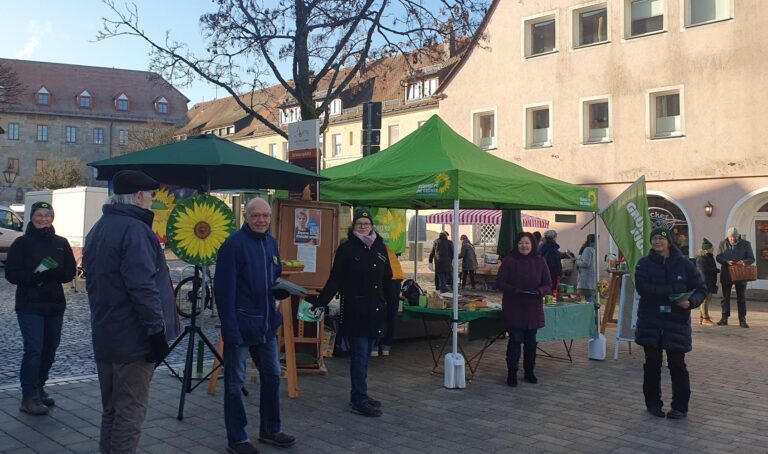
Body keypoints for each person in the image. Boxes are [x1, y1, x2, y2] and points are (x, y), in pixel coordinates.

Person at [83, 170, 180, 453]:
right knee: (130, 413)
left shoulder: (100, 227)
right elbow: (142, 287)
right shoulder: (136, 230)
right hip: (132, 339)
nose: (151, 201)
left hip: (107, 334)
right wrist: (156, 332)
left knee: (112, 409)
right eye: (150, 196)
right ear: (138, 197)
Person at [214, 198, 296, 454]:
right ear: (245, 216)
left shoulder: (271, 243)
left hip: (266, 326)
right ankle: (237, 438)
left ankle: (270, 429)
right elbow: (223, 291)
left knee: (272, 376)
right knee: (234, 383)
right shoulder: (233, 245)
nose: (261, 220)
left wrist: (280, 290)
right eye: (256, 216)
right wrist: (230, 328)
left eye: (266, 216)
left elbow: (274, 276)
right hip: (241, 325)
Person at [309, 209, 397, 417]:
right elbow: (335, 279)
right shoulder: (347, 249)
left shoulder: (380, 248)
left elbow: (388, 278)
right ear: (353, 227)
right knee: (359, 354)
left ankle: (362, 393)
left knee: (366, 355)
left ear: (372, 226)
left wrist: (391, 303)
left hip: (375, 310)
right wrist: (320, 302)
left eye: (367, 223)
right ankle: (358, 398)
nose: (364, 226)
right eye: (360, 224)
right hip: (356, 310)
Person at [5, 201, 76, 416]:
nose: (43, 218)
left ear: (52, 217)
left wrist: (56, 273)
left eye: (47, 215)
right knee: (34, 349)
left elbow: (69, 272)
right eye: (39, 214)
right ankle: (29, 397)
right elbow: (11, 274)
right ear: (31, 217)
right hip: (29, 304)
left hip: (55, 304)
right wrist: (36, 276)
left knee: (50, 348)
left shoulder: (61, 243)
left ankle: (39, 386)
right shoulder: (21, 243)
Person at [634, 228, 706, 419]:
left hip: (676, 323)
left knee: (677, 365)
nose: (657, 241)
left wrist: (690, 302)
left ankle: (680, 407)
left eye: (661, 238)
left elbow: (700, 288)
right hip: (651, 322)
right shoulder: (644, 264)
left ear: (669, 241)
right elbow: (643, 288)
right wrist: (673, 292)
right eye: (654, 238)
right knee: (652, 364)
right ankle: (653, 404)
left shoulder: (684, 264)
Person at [496, 232, 552, 387]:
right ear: (517, 245)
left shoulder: (540, 261)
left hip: (533, 308)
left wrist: (539, 291)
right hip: (514, 307)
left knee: (531, 343)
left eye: (527, 243)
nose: (524, 246)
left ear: (532, 244)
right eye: (521, 243)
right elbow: (499, 282)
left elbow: (548, 284)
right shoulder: (509, 260)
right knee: (514, 341)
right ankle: (512, 373)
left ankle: (529, 371)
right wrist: (513, 290)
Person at [715, 227, 755, 328]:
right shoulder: (722, 243)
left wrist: (744, 262)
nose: (733, 239)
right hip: (726, 273)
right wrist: (726, 262)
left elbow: (751, 258)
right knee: (725, 297)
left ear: (738, 236)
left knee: (741, 298)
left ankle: (742, 320)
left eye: (735, 237)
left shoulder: (746, 244)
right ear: (728, 237)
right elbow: (718, 257)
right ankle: (724, 318)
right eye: (731, 237)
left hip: (740, 274)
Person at [378, 245, 404, 357]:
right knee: (391, 313)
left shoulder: (374, 248)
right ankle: (386, 346)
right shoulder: (390, 248)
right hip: (396, 277)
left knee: (378, 311)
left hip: (384, 278)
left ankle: (375, 345)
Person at [695, 238, 719, 326]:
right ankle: (705, 318)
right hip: (704, 282)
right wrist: (715, 270)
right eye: (711, 248)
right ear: (706, 249)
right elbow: (703, 270)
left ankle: (702, 317)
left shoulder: (709, 256)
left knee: (707, 299)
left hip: (709, 281)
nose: (713, 249)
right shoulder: (702, 258)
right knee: (704, 300)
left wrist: (715, 270)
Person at [540, 230, 563, 296]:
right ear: (554, 237)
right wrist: (559, 273)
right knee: (551, 291)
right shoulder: (553, 247)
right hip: (552, 273)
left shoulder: (541, 246)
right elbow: (556, 262)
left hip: (541, 272)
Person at [575, 234, 597, 302]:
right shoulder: (592, 249)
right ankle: (592, 310)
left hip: (587, 277)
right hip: (589, 277)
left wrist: (576, 261)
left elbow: (586, 263)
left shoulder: (588, 249)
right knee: (590, 296)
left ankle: (591, 310)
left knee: (588, 297)